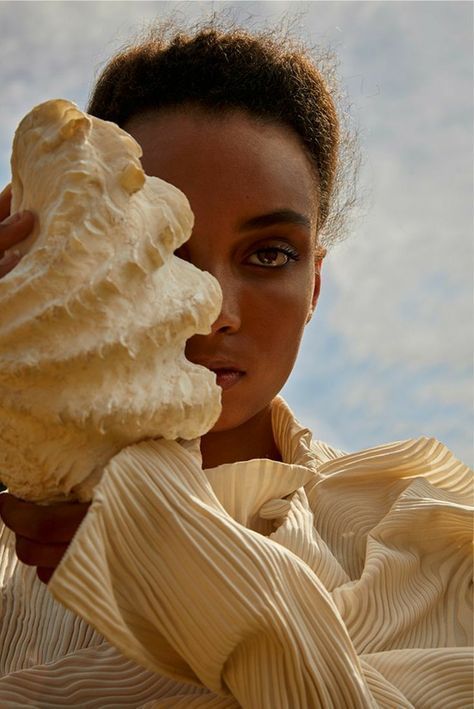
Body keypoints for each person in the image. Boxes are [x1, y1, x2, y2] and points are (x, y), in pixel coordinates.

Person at [0, 21, 472, 708]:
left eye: (270, 254)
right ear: (84, 262)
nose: (213, 309)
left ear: (313, 287)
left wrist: (192, 562)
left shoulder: (416, 536)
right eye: (164, 249)